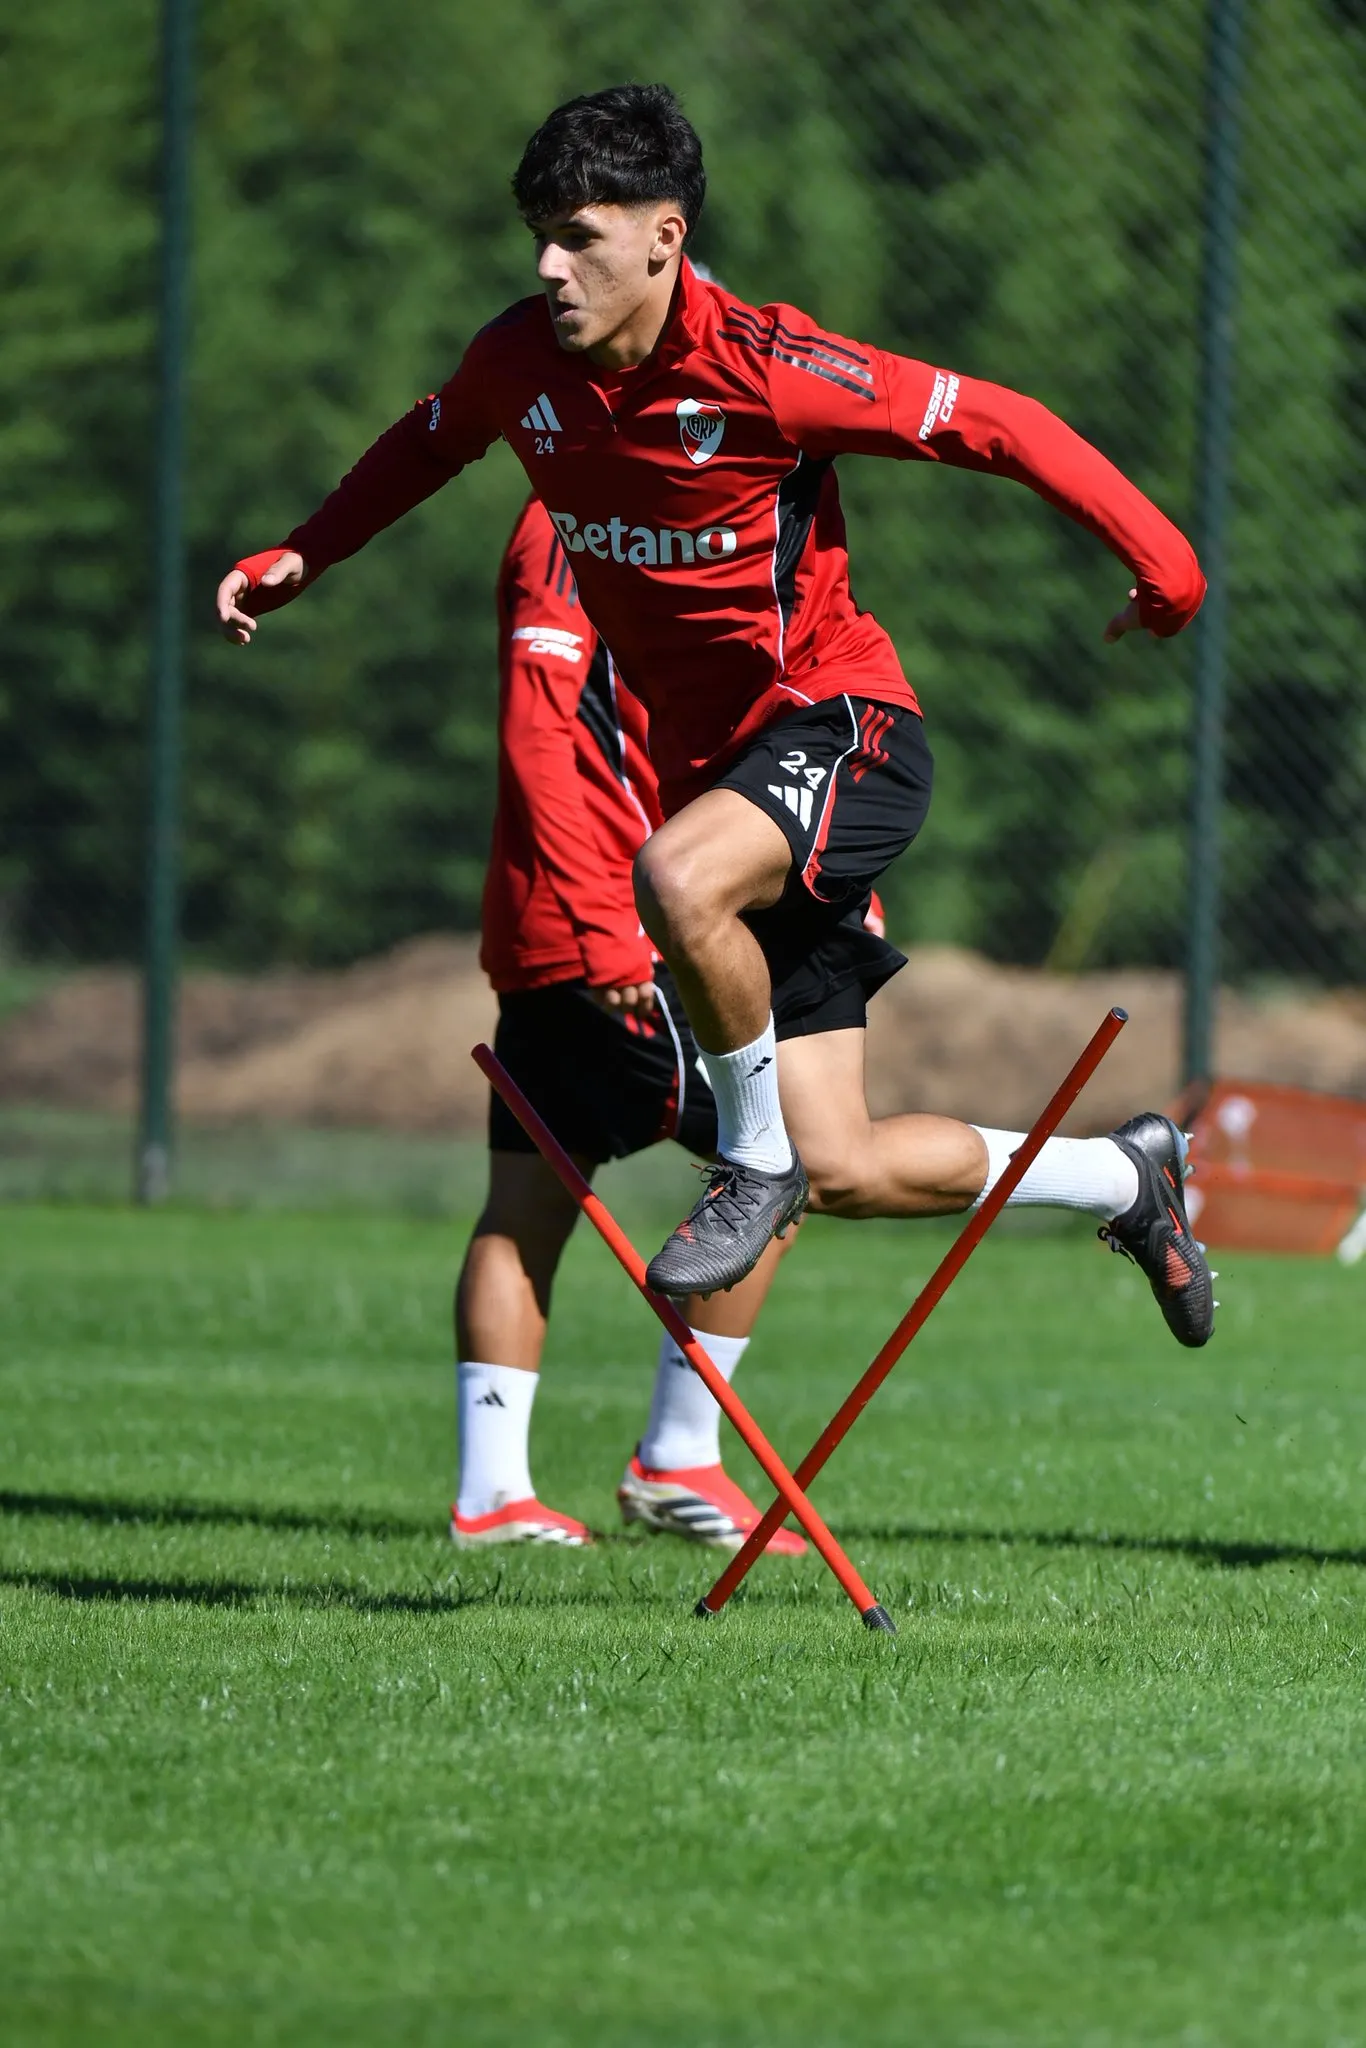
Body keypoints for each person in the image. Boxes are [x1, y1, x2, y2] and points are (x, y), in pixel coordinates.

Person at [216, 83, 1215, 1352]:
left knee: (674, 882)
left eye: (579, 235)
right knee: (844, 1163)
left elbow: (996, 423)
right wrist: (306, 554)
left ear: (664, 235)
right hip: (730, 782)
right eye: (537, 233)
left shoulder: (769, 367)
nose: (548, 266)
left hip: (845, 728)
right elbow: (429, 441)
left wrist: (1168, 575)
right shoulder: (520, 360)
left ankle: (746, 1167)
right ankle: (1128, 1179)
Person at [451, 492, 803, 1553]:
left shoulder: (647, 510)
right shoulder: (574, 517)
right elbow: (538, 726)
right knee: (778, 1166)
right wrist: (603, 925)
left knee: (526, 1200)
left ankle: (492, 1493)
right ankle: (679, 1456)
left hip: (565, 927)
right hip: (606, 933)